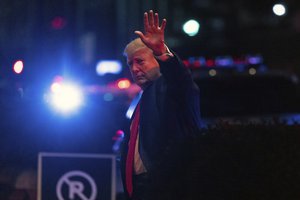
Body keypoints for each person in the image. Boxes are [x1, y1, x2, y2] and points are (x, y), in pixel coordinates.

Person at [120, 10, 202, 200]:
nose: (134, 69)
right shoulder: (143, 98)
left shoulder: (168, 87)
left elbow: (180, 80)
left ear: (157, 61)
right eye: (130, 64)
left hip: (167, 188)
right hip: (142, 190)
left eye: (140, 61)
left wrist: (162, 53)